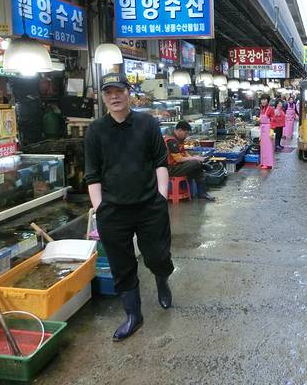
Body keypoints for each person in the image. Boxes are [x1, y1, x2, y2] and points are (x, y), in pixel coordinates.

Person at [85, 73, 174, 341]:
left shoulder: (147, 123)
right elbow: (92, 174)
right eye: (108, 92)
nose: (114, 96)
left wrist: (161, 196)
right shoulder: (95, 130)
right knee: (121, 265)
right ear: (103, 97)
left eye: (119, 91)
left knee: (157, 255)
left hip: (149, 206)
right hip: (113, 211)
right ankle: (133, 314)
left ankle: (161, 279)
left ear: (128, 92)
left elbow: (160, 161)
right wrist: (100, 208)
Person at [163, 121, 215, 201]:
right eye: (186, 133)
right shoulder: (171, 141)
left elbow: (183, 153)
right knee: (196, 163)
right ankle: (202, 192)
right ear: (180, 130)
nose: (186, 135)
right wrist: (194, 158)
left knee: (196, 165)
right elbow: (179, 159)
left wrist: (194, 157)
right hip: (169, 169)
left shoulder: (177, 139)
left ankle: (202, 192)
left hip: (175, 166)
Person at [258, 94, 275, 169]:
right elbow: (262, 118)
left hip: (268, 129)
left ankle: (268, 163)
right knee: (263, 147)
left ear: (268, 101)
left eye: (265, 99)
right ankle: (263, 162)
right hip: (262, 129)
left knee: (268, 147)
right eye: (262, 99)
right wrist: (258, 119)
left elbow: (273, 120)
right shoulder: (262, 108)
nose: (263, 101)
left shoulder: (270, 109)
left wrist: (272, 130)